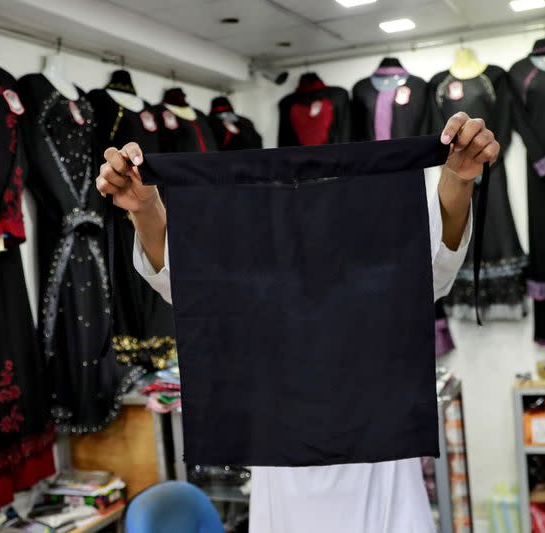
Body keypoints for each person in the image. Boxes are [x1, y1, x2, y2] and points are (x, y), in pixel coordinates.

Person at [96, 111, 499, 533]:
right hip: (285, 507)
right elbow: (183, 278)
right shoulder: (255, 297)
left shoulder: (384, 286)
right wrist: (144, 207)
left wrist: (458, 176)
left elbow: (437, 255)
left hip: (388, 507)